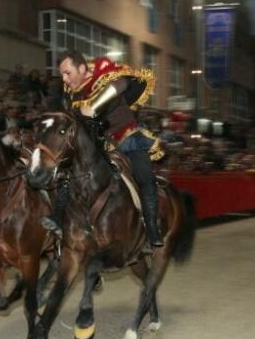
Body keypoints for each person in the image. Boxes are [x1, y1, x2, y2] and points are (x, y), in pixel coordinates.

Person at [41, 51, 164, 248]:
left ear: (81, 68)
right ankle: (58, 217)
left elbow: (122, 84)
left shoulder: (102, 72)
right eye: (62, 74)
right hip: (97, 143)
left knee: (145, 176)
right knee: (67, 170)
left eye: (67, 73)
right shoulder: (70, 90)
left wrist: (94, 107)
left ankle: (151, 229)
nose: (64, 78)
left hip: (126, 137)